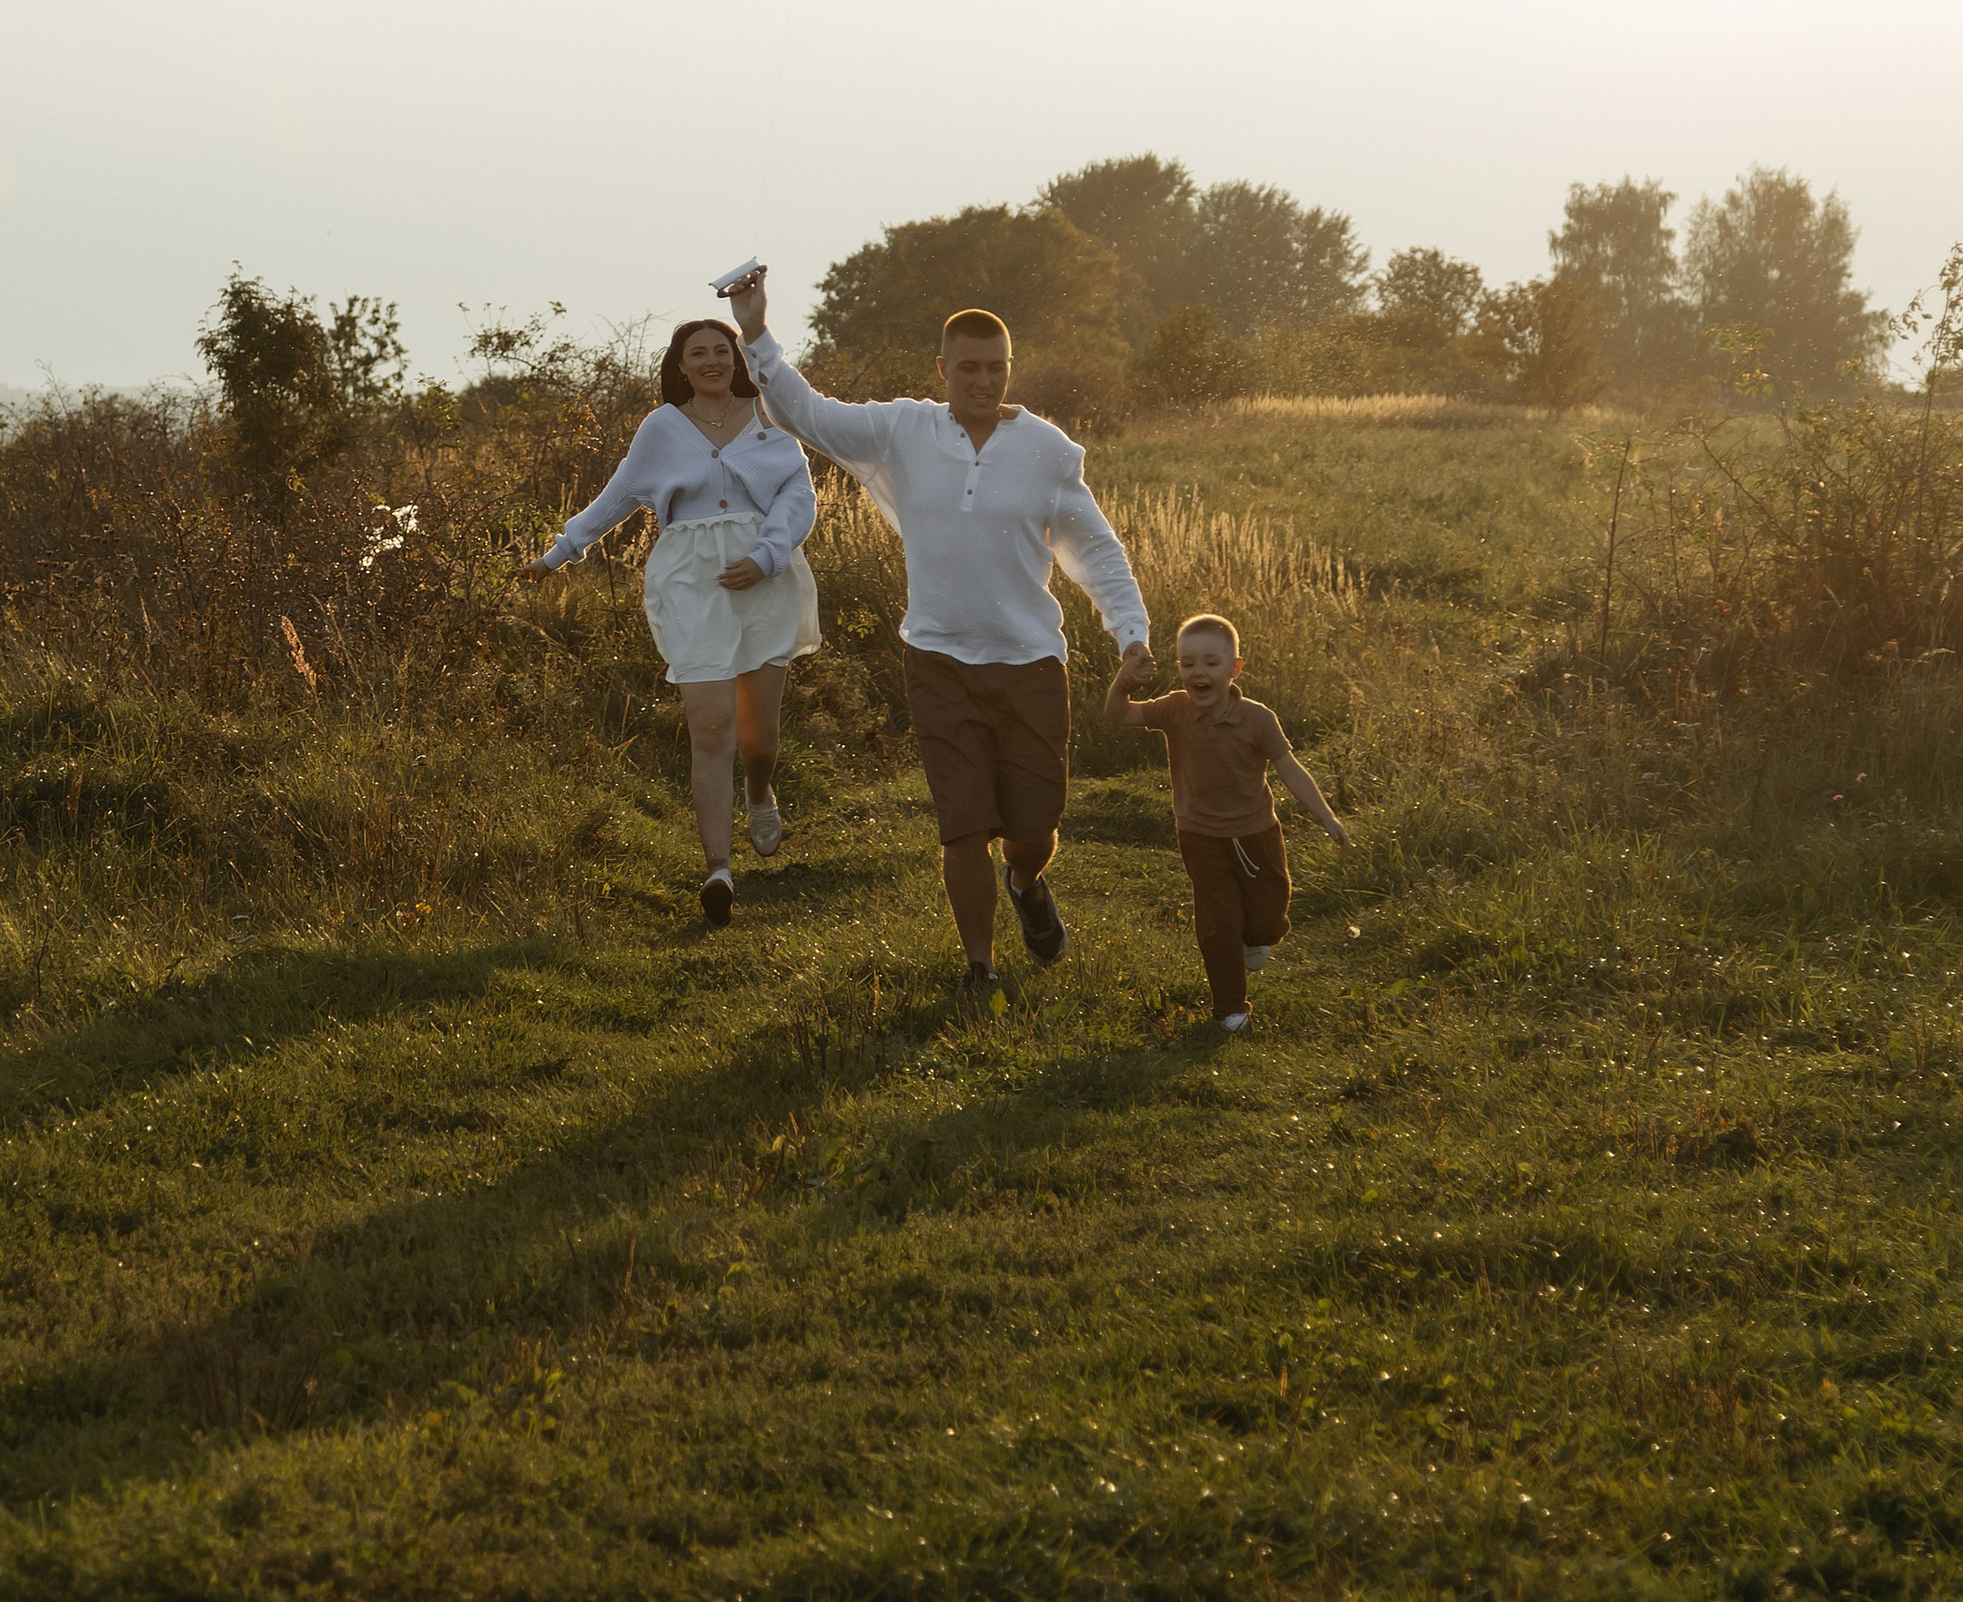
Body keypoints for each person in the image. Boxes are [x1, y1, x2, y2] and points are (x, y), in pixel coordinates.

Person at [722, 268, 1150, 1006]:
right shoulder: (904, 430)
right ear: (943, 368)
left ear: (1009, 369)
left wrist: (1131, 633)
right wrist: (755, 331)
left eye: (996, 368)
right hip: (938, 659)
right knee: (962, 827)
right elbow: (806, 415)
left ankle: (1026, 881)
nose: (983, 381)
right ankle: (980, 968)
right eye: (969, 368)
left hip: (1030, 663)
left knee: (1032, 830)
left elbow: (1098, 551)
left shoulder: (1048, 450)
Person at [524, 316, 818, 927]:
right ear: (680, 367)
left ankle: (758, 791)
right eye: (698, 353)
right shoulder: (662, 427)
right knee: (710, 726)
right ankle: (719, 870)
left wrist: (767, 555)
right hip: (691, 580)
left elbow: (798, 494)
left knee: (759, 737)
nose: (711, 361)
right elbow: (619, 495)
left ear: (736, 359)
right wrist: (557, 554)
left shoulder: (770, 416)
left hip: (764, 573)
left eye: (721, 351)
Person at [1103, 611, 1350, 1031]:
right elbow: (1118, 715)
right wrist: (1122, 683)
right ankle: (1231, 1008)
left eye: (1211, 663)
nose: (1198, 672)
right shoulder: (1174, 709)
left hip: (1257, 834)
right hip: (1199, 836)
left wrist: (1327, 817)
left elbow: (1290, 769)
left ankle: (1258, 937)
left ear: (1234, 668)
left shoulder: (1258, 719)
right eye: (1188, 663)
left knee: (1268, 917)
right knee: (1219, 925)